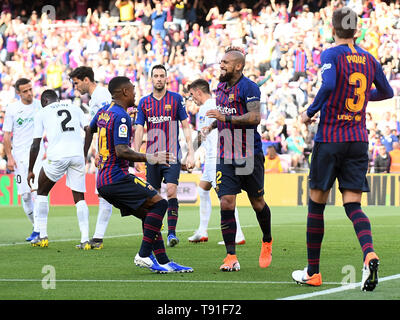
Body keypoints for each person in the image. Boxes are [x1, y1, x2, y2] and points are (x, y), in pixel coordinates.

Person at [292, 7, 394, 291]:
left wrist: (309, 112)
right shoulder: (370, 59)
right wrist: (360, 98)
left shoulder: (330, 55)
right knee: (353, 205)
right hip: (359, 139)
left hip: (331, 137)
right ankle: (369, 254)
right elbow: (387, 92)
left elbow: (329, 84)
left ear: (332, 29)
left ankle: (313, 272)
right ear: (356, 30)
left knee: (316, 204)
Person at [85, 76, 192, 273]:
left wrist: (87, 156)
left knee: (148, 213)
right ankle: (143, 255)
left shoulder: (103, 112)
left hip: (103, 180)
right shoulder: (121, 116)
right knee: (160, 203)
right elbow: (122, 151)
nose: (135, 93)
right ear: (124, 92)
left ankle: (163, 261)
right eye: (133, 89)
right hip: (117, 177)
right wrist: (153, 157)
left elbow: (88, 130)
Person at [203, 46, 273, 272]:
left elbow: (254, 118)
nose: (220, 65)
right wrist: (213, 124)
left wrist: (224, 117)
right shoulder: (220, 87)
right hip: (225, 154)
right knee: (226, 202)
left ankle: (267, 240)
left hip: (249, 154)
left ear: (238, 66)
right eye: (220, 61)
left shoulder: (249, 88)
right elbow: (224, 115)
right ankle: (231, 256)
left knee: (257, 203)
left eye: (225, 62)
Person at [134, 64, 195, 248]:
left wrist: (191, 151)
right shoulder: (144, 102)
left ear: (166, 78)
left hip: (172, 154)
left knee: (170, 190)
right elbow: (138, 129)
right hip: (152, 156)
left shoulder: (176, 99)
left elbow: (185, 126)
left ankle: (172, 233)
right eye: (156, 76)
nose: (159, 78)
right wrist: (137, 155)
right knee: (152, 196)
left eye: (162, 75)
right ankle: (154, 232)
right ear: (151, 79)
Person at [27, 90, 91, 250]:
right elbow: (89, 130)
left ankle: (42, 236)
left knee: (41, 192)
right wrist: (84, 153)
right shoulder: (75, 107)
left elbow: (35, 144)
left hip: (57, 156)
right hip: (77, 155)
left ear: (45, 101)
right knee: (79, 198)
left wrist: (30, 169)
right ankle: (85, 240)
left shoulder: (42, 112)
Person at [186, 78, 245, 245]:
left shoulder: (207, 108)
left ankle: (238, 234)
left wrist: (189, 154)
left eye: (192, 95)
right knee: (203, 190)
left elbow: (203, 134)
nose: (192, 99)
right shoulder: (215, 104)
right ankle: (202, 230)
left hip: (216, 157)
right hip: (214, 155)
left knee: (225, 196)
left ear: (198, 92)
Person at [69, 66, 113, 250]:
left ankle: (151, 220)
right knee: (104, 194)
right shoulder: (96, 97)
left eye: (77, 83)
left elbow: (107, 123)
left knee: (110, 194)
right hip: (104, 151)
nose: (75, 88)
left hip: (110, 151)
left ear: (86, 80)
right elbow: (95, 128)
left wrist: (103, 150)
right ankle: (98, 238)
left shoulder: (101, 95)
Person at [2, 78, 44, 241]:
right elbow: (6, 135)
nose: (29, 93)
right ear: (18, 93)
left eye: (30, 89)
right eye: (25, 91)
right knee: (25, 196)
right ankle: (36, 227)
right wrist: (10, 157)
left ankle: (40, 230)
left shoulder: (40, 105)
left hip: (38, 154)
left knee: (37, 193)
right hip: (19, 157)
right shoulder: (12, 109)